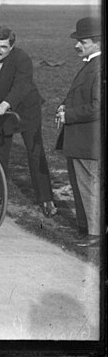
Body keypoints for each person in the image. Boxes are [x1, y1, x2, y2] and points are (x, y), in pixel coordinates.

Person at [0, 26, 57, 218]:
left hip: (26, 108)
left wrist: (5, 104)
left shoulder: (21, 58)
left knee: (35, 151)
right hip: (0, 110)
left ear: (12, 46)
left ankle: (45, 198)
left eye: (3, 46)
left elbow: (22, 85)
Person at [56, 17, 102, 248]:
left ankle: (94, 235)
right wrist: (64, 104)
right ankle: (86, 229)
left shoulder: (98, 66)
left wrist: (68, 115)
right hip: (80, 140)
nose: (77, 45)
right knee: (81, 185)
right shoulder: (90, 64)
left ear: (96, 42)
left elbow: (98, 106)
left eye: (82, 41)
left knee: (90, 186)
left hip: (88, 140)